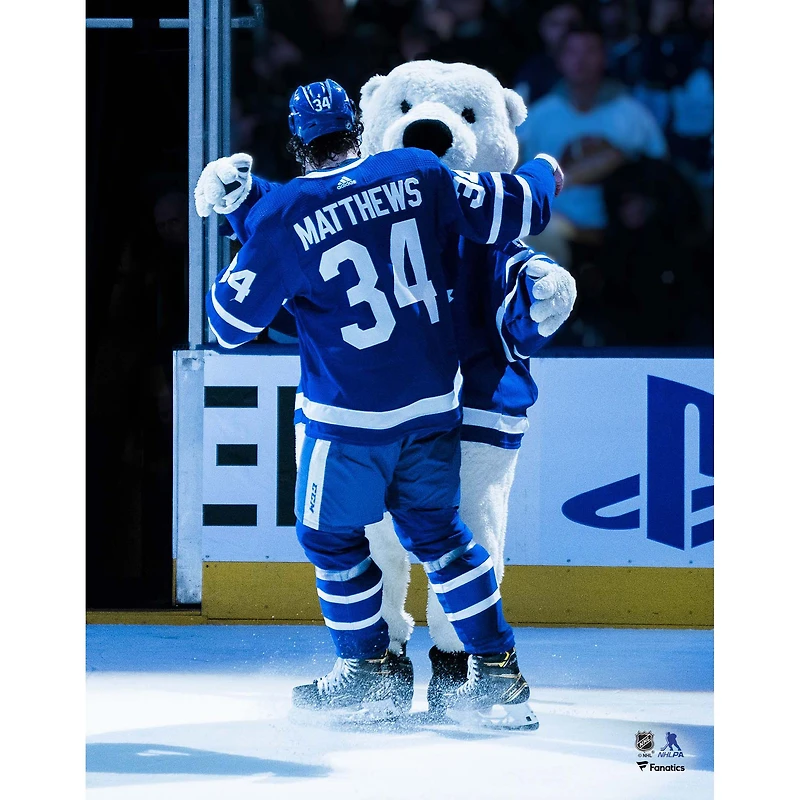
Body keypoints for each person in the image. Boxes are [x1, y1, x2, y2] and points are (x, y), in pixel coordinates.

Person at [200, 78, 562, 727]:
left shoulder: (284, 214)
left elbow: (228, 327)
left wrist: (238, 217)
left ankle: (370, 671)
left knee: (330, 538)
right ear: (360, 130)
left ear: (297, 143)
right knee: (444, 541)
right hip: (429, 411)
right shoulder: (418, 171)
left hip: (345, 424)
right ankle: (499, 675)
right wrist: (546, 168)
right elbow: (515, 210)